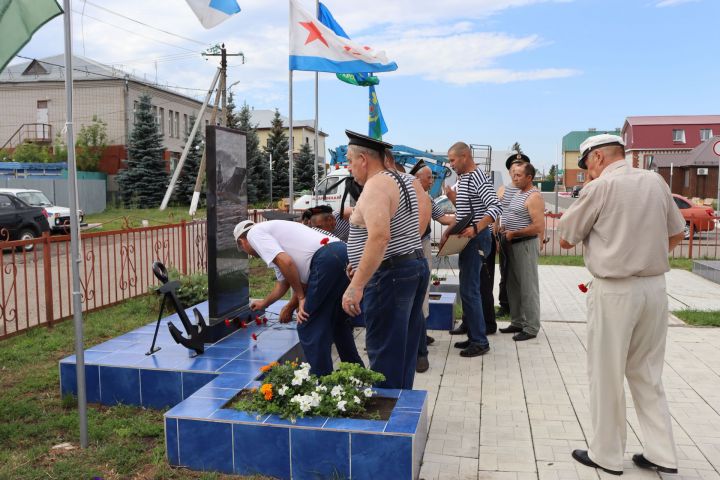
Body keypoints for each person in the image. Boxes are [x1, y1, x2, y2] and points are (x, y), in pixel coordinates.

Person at [558, 134, 684, 475]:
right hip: (655, 288)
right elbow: (676, 233)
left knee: (606, 373)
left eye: (587, 166)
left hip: (615, 290)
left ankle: (606, 454)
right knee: (647, 373)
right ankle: (663, 454)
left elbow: (567, 239)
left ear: (597, 158)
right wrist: (644, 257)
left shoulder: (600, 187)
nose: (587, 173)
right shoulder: (655, 181)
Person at [341, 130, 430, 389]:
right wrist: (360, 264)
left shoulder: (377, 184)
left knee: (385, 352)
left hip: (391, 275)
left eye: (350, 160)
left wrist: (356, 286)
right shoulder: (401, 179)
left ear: (364, 159)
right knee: (402, 351)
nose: (349, 167)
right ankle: (400, 413)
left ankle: (385, 418)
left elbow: (380, 238)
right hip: (410, 267)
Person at [233, 219, 363, 376]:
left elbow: (287, 264)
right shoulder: (273, 236)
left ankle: (323, 384)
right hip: (342, 253)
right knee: (337, 322)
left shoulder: (255, 234)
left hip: (325, 259)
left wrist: (301, 299)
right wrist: (265, 303)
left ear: (242, 241)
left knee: (308, 324)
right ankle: (358, 375)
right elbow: (284, 283)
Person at [442, 142, 502, 357]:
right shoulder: (463, 179)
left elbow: (495, 206)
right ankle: (474, 335)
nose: (451, 165)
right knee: (468, 289)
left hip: (477, 239)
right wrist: (452, 199)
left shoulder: (477, 176)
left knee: (470, 290)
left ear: (465, 156)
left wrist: (476, 228)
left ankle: (479, 341)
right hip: (469, 239)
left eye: (453, 160)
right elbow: (468, 210)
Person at [411, 161, 455, 373]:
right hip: (405, 250)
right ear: (417, 179)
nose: (433, 180)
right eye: (429, 177)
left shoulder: (428, 199)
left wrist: (465, 219)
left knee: (423, 292)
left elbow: (444, 218)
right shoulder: (404, 196)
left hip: (423, 245)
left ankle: (420, 336)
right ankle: (417, 338)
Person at [497, 161, 544, 341]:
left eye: (518, 175)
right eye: (513, 174)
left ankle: (531, 327)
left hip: (524, 244)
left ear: (529, 177)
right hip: (511, 243)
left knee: (528, 287)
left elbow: (538, 226)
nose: (514, 178)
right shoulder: (518, 192)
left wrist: (514, 232)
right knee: (513, 285)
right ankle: (517, 321)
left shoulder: (534, 196)